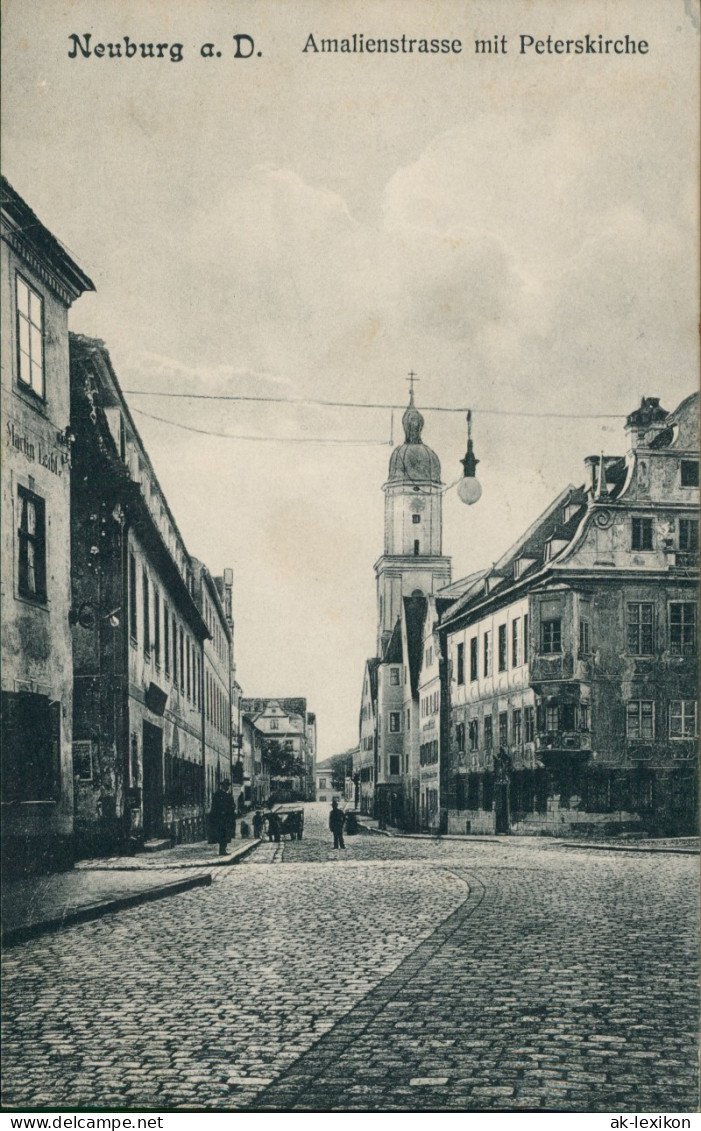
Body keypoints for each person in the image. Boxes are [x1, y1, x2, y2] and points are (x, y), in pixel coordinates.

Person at [210, 780, 236, 856]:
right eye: (226, 785)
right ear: (223, 786)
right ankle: (222, 850)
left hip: (228, 818)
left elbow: (233, 805)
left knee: (227, 834)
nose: (227, 787)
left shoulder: (229, 795)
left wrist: (232, 808)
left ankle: (223, 849)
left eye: (228, 785)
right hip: (220, 819)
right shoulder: (218, 794)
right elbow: (215, 806)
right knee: (222, 834)